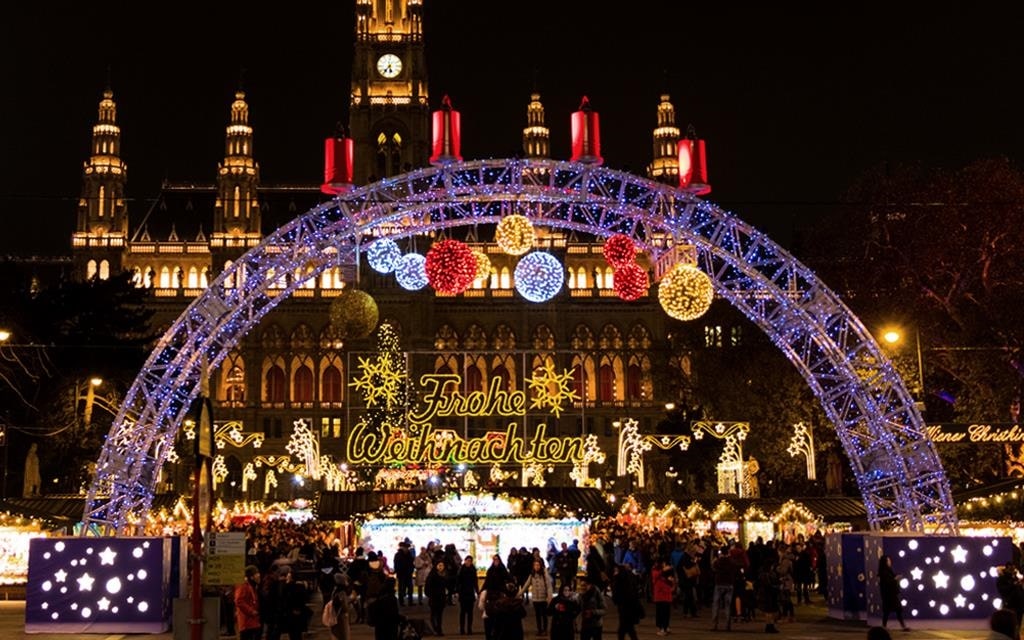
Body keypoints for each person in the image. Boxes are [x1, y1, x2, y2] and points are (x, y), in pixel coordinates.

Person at [518, 558, 554, 635]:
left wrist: (549, 598)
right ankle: (539, 630)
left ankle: (545, 630)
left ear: (541, 565)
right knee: (537, 616)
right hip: (535, 599)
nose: (536, 566)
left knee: (544, 615)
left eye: (538, 565)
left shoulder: (545, 575)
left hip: (543, 598)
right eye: (535, 565)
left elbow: (549, 587)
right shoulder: (532, 575)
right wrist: (519, 594)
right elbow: (526, 585)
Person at [878, 555, 909, 631]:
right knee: (887, 611)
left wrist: (896, 578)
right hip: (888, 595)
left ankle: (903, 626)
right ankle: (885, 626)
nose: (890, 562)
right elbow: (887, 582)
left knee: (897, 610)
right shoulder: (883, 572)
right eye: (888, 560)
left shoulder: (889, 570)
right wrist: (895, 579)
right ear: (885, 562)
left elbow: (892, 579)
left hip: (892, 594)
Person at [711, 548, 739, 632]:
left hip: (719, 583)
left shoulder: (718, 561)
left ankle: (715, 624)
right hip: (729, 584)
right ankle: (727, 625)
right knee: (728, 605)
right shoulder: (732, 561)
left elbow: (713, 568)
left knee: (716, 604)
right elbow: (735, 570)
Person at [611, 564, 640, 640]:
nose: (615, 572)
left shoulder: (619, 580)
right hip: (628, 608)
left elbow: (616, 596)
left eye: (616, 571)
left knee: (625, 628)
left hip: (624, 608)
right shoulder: (628, 580)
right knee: (628, 628)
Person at [235, 565, 262, 640]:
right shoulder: (243, 585)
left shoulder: (253, 586)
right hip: (247, 623)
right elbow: (239, 601)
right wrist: (252, 611)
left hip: (253, 621)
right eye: (257, 573)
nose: (259, 575)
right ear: (251, 577)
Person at [650, 561, 675, 635]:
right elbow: (655, 576)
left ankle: (666, 627)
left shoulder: (668, 571)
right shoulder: (655, 570)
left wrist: (673, 584)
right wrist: (663, 571)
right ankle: (661, 628)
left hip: (667, 594)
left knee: (667, 613)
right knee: (661, 613)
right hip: (660, 595)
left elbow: (672, 580)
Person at [326, 573, 354, 640]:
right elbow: (345, 607)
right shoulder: (342, 592)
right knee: (343, 634)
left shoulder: (335, 590)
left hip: (336, 614)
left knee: (336, 634)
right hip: (341, 616)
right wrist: (351, 600)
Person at [577, 575, 606, 640]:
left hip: (596, 625)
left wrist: (593, 612)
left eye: (584, 585)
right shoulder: (581, 595)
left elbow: (604, 610)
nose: (582, 587)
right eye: (581, 585)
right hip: (585, 624)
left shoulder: (596, 592)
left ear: (590, 585)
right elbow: (577, 608)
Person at [457, 556, 480, 635]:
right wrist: (457, 591)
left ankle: (469, 628)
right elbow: (458, 581)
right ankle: (462, 629)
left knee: (470, 612)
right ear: (465, 561)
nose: (469, 562)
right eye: (467, 560)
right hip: (463, 593)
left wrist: (477, 591)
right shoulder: (461, 570)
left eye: (470, 561)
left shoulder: (473, 570)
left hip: (470, 593)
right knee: (463, 612)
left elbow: (475, 582)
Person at [426, 560, 449, 635]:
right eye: (439, 565)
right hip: (434, 598)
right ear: (436, 566)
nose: (441, 567)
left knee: (439, 615)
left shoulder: (444, 575)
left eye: (442, 565)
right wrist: (430, 595)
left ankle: (439, 629)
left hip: (441, 598)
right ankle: (436, 629)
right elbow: (428, 587)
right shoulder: (432, 575)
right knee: (434, 614)